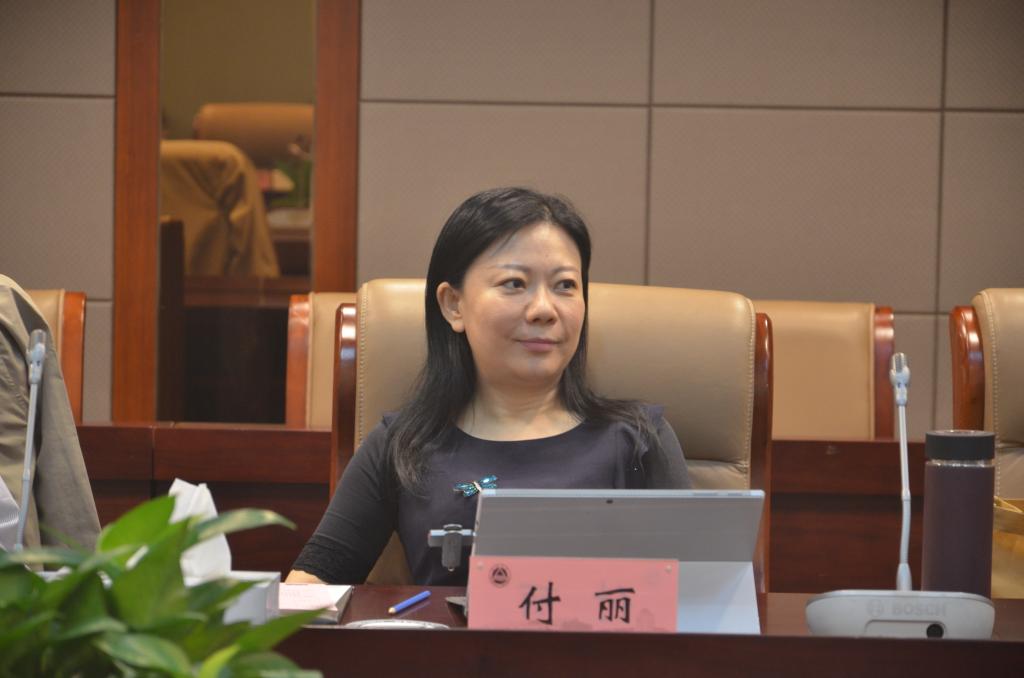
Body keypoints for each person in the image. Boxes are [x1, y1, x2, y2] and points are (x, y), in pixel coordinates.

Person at [288, 187, 690, 586]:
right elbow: (308, 589)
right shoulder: (403, 444)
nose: (544, 310)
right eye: (514, 283)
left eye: (565, 285)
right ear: (453, 305)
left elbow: (699, 596)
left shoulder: (639, 439)